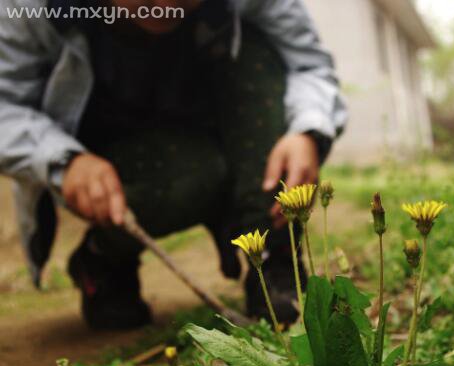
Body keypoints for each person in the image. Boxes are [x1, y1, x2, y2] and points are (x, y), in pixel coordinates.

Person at [0, 0, 346, 329]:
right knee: (193, 176)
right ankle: (103, 259)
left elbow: (308, 63)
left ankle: (275, 259)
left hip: (218, 118)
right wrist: (65, 160)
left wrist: (308, 132)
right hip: (119, 150)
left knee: (262, 45)